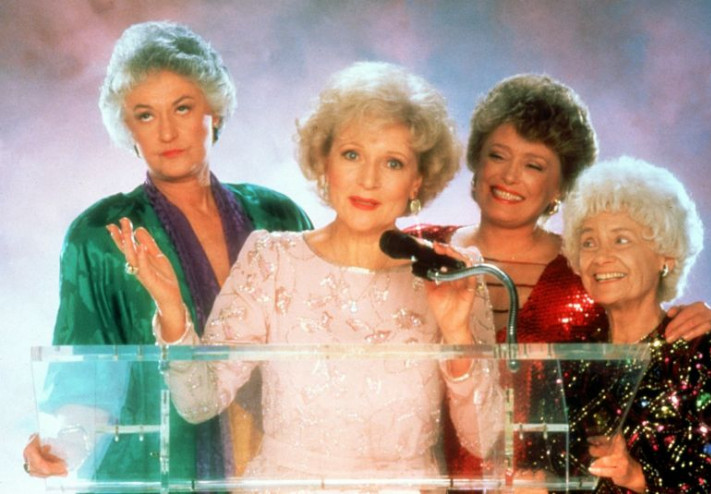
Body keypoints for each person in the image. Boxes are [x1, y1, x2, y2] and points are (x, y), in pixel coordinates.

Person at [109, 61, 503, 489]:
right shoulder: (272, 260)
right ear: (325, 163)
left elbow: (484, 441)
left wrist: (457, 334)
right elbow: (198, 401)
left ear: (417, 181)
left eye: (392, 163)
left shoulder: (452, 276)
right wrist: (172, 308)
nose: (368, 179)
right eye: (351, 155)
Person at [22, 21, 312, 485]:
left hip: (276, 471)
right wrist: (62, 445)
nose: (167, 131)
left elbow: (319, 349)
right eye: (145, 115)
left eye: (182, 107)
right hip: (152, 475)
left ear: (213, 112)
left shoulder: (277, 215)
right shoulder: (100, 235)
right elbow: (87, 376)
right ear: (128, 128)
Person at [408, 74, 711, 478]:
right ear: (477, 161)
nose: (509, 176)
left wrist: (701, 323)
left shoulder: (588, 272)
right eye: (498, 156)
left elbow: (647, 343)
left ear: (560, 186)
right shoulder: (419, 248)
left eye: (534, 165)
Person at [561, 156, 711, 493]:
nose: (601, 256)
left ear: (665, 257)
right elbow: (550, 467)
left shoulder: (705, 354)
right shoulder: (571, 358)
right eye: (588, 242)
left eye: (621, 240)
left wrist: (637, 477)